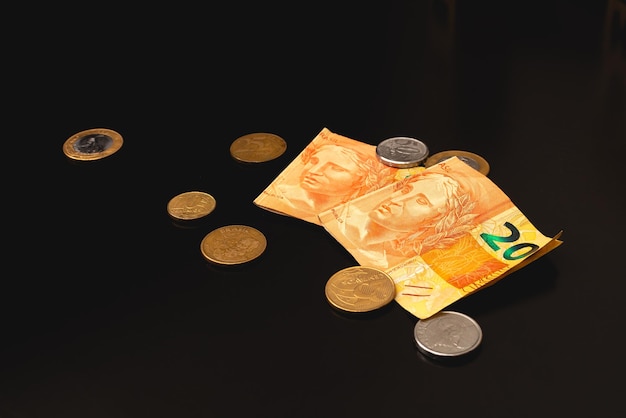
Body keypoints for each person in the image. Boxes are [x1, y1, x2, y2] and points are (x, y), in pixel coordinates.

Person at [268, 142, 394, 223]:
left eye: (336, 168)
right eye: (314, 161)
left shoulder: (359, 218)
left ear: (361, 180)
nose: (314, 170)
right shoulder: (278, 194)